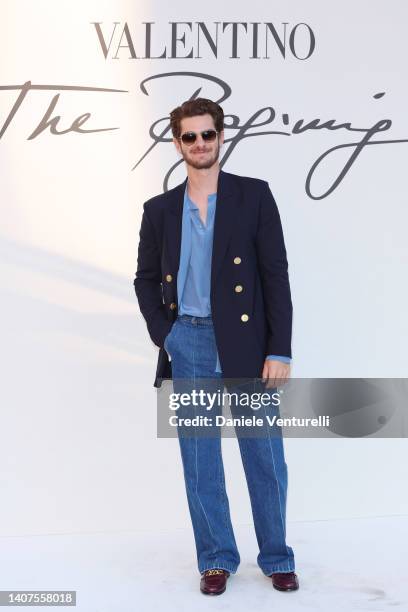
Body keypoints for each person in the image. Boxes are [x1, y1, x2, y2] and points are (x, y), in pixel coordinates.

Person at [133, 98, 299, 595]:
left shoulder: (254, 196)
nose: (200, 144)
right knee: (200, 460)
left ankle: (276, 557)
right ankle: (216, 558)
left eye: (208, 135)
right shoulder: (159, 210)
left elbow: (275, 276)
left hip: (248, 344)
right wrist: (168, 335)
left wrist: (281, 349)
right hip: (190, 342)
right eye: (190, 137)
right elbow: (143, 279)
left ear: (221, 137)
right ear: (177, 143)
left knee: (265, 458)